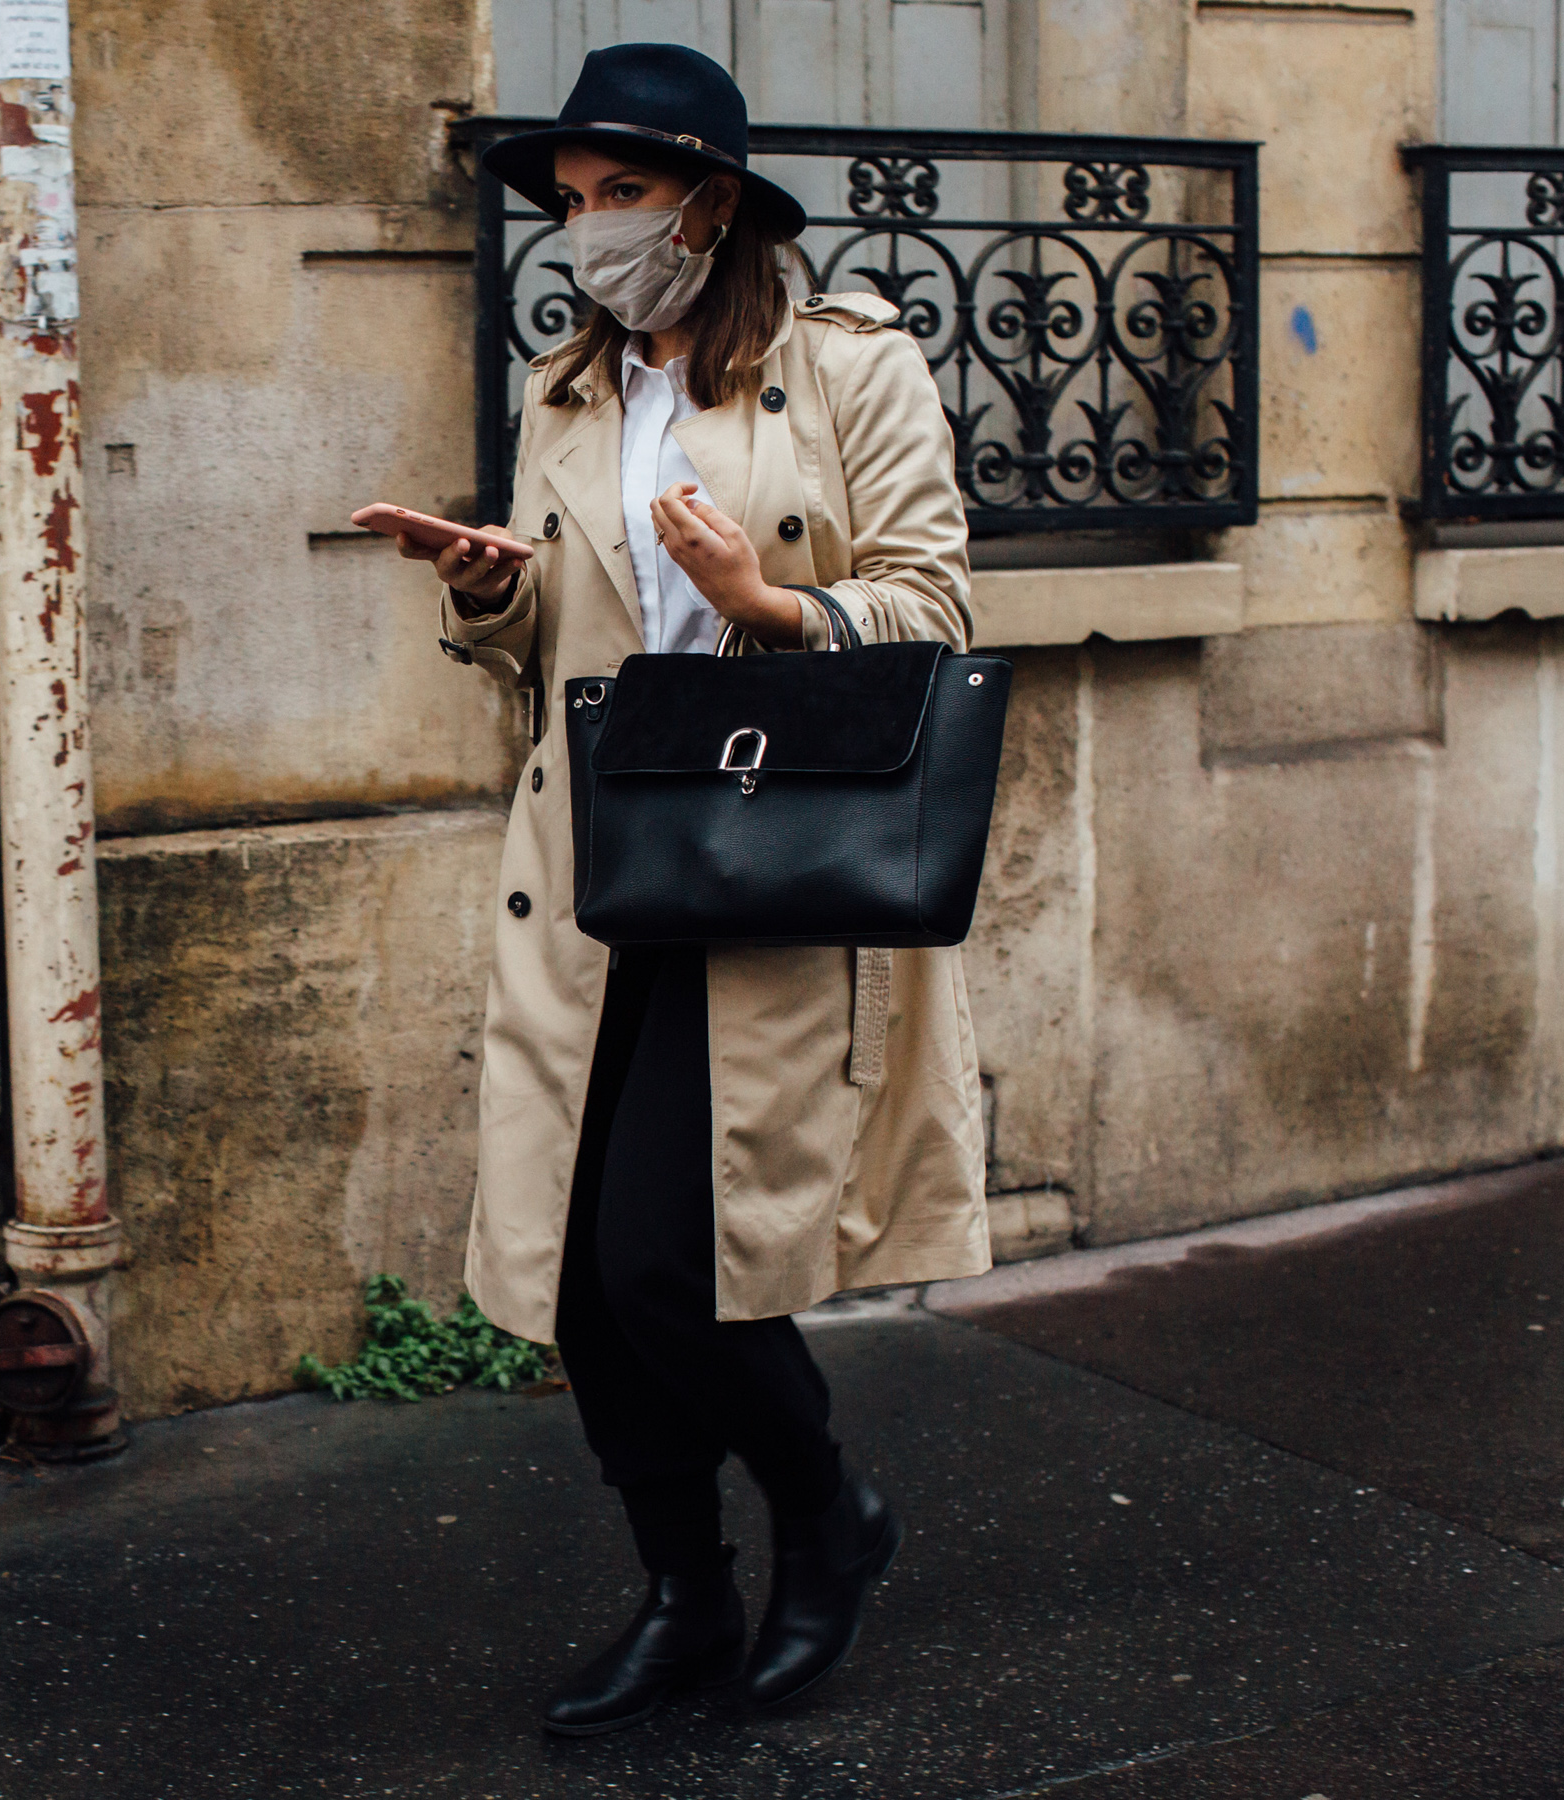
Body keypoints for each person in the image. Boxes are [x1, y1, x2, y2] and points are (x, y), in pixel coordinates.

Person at [401, 42, 990, 1736]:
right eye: (573, 206)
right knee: (584, 1283)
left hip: (768, 863)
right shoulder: (570, 389)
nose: (588, 234)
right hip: (603, 862)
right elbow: (551, 658)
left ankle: (827, 1516)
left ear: (711, 205)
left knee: (677, 1265)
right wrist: (484, 589)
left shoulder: (850, 367)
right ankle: (682, 1593)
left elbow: (937, 615)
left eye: (621, 198)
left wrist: (770, 599)